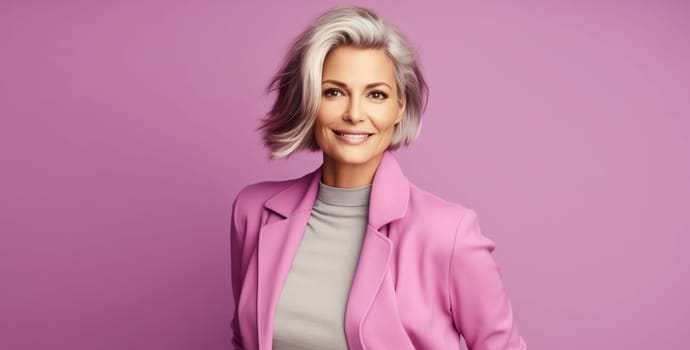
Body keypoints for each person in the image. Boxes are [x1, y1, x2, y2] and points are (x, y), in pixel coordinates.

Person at [230, 5, 527, 350]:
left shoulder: (449, 233)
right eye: (334, 92)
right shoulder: (254, 211)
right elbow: (244, 337)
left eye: (376, 95)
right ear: (309, 100)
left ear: (400, 106)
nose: (355, 114)